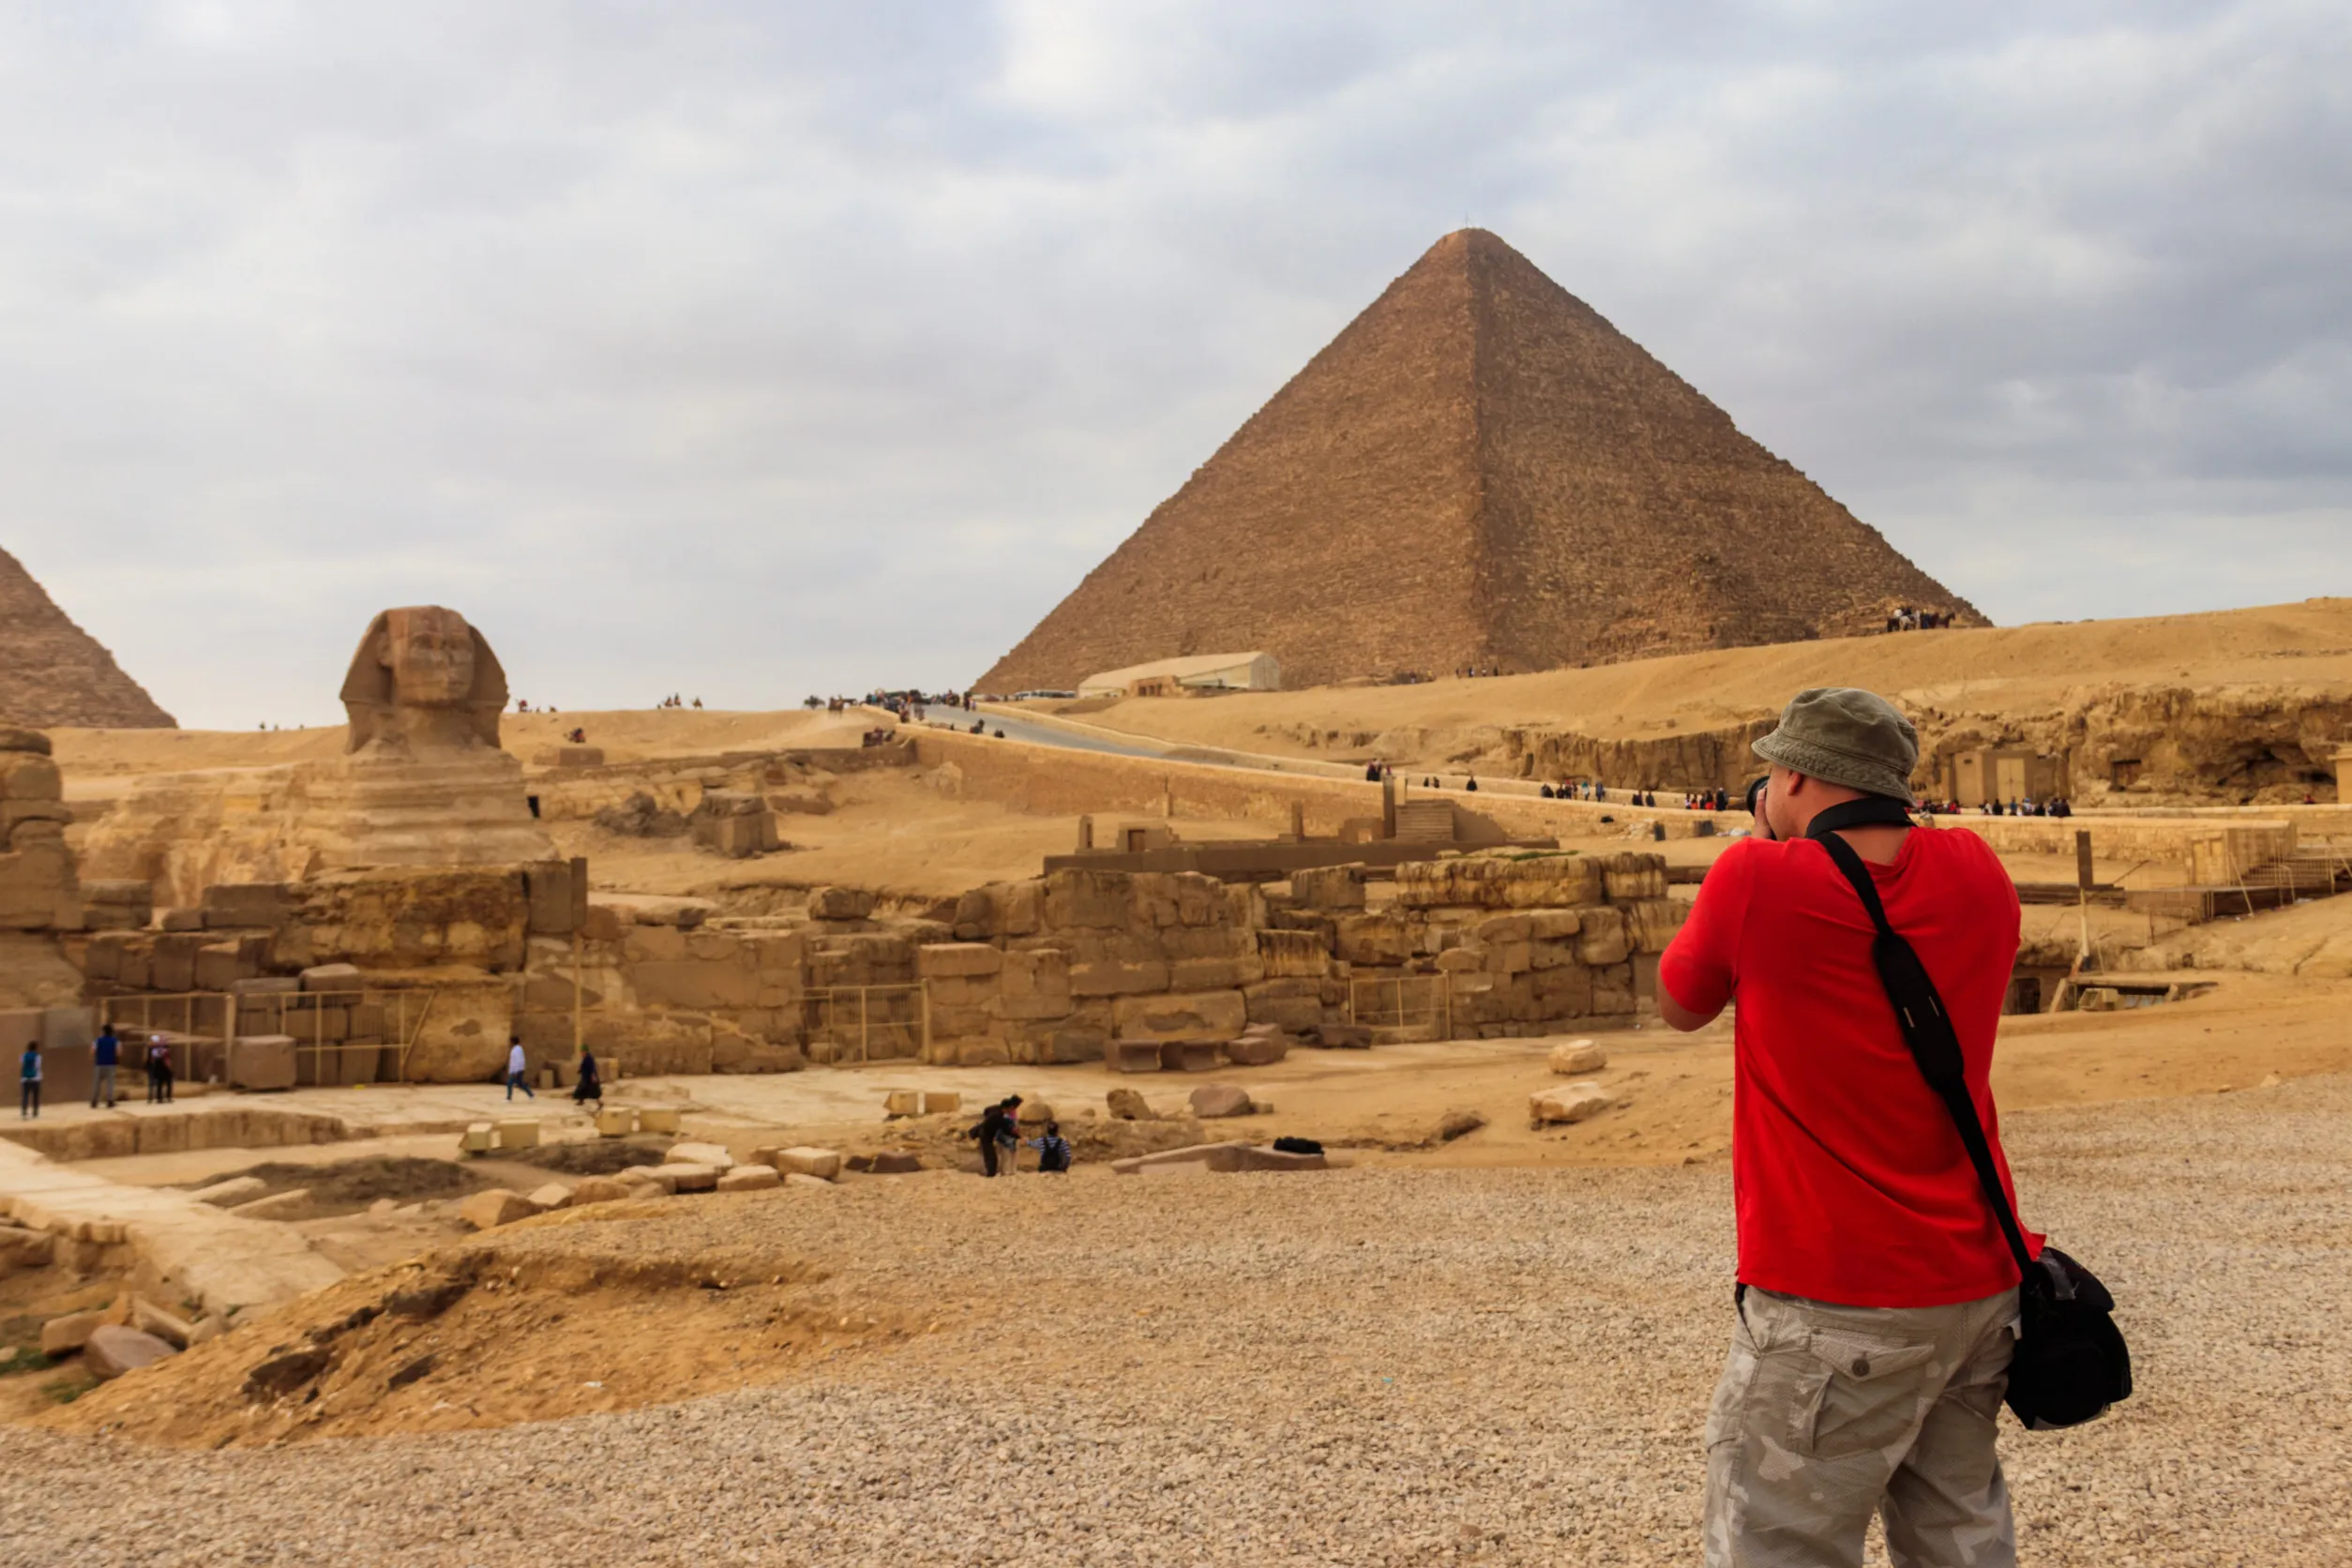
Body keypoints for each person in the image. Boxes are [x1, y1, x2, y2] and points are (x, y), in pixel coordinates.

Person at [1659, 687, 2031, 1568]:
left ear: (1793, 776)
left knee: (1778, 1543)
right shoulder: (1978, 868)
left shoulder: (1757, 879)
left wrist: (1761, 845)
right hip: (1977, 1283)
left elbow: (1680, 1004)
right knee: (1961, 1541)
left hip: (1836, 1296)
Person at [971, 1096, 1017, 1177]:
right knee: (990, 1156)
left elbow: (986, 1110)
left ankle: (990, 1173)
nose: (1011, 1111)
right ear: (1006, 1108)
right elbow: (1004, 1129)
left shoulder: (996, 1109)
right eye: (1011, 1109)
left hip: (984, 1132)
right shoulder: (998, 1116)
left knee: (990, 1154)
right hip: (985, 1134)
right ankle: (990, 1174)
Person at [90, 1023, 120, 1108]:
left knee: (96, 1083)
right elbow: (119, 1052)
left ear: (103, 1031)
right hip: (110, 1064)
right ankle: (110, 1101)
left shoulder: (97, 1040)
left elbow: (92, 1051)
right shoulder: (115, 1041)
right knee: (110, 1083)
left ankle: (94, 1101)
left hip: (99, 1064)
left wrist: (94, 1058)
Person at [145, 1034, 174, 1104]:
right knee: (158, 1083)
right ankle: (158, 1098)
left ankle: (166, 1097)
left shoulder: (165, 1049)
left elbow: (168, 1059)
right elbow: (153, 1058)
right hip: (158, 1067)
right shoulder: (155, 1049)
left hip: (163, 1068)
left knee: (166, 1082)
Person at [505, 1036, 535, 1100]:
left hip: (517, 1071)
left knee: (510, 1083)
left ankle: (509, 1097)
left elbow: (519, 1060)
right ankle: (531, 1095)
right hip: (516, 1070)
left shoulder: (518, 1050)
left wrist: (516, 1071)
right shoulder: (515, 1049)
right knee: (520, 1084)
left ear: (513, 1042)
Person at [18, 1039, 38, 1119]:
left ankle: (24, 1111)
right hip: (34, 1078)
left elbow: (22, 1064)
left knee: (25, 1095)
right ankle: (35, 1112)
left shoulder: (23, 1056)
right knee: (35, 1095)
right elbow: (37, 1066)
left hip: (25, 1078)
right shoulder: (37, 1056)